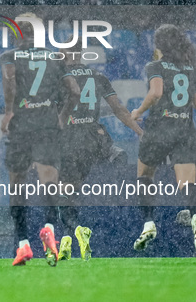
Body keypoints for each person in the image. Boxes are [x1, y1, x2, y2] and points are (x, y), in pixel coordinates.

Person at [0, 13, 81, 267]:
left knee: (17, 183)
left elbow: (10, 81)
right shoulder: (53, 57)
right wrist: (62, 116)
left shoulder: (9, 57)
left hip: (22, 124)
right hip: (47, 124)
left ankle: (23, 243)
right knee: (49, 180)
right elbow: (75, 91)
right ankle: (48, 226)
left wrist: (9, 111)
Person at [57, 42, 143, 261]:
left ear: (67, 53)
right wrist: (141, 132)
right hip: (93, 139)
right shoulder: (98, 76)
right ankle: (69, 237)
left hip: (69, 138)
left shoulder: (60, 76)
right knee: (73, 189)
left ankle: (73, 230)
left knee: (64, 190)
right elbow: (119, 110)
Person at [130, 24, 196, 255]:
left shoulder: (155, 65)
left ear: (158, 45)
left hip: (159, 129)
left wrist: (138, 112)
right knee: (186, 183)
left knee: (144, 175)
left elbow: (156, 92)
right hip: (184, 129)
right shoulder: (191, 69)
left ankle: (149, 224)